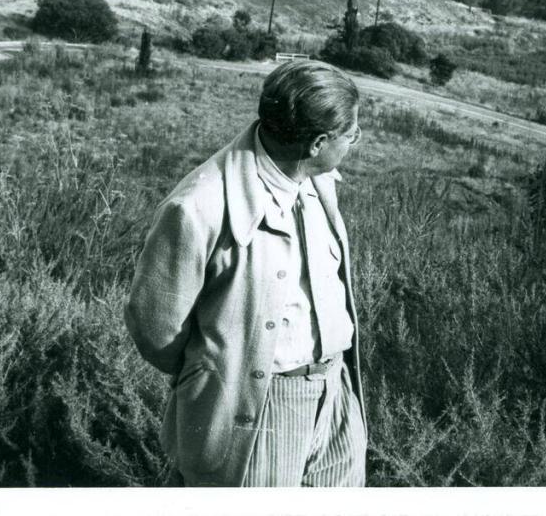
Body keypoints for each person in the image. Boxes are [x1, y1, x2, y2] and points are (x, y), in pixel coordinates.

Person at [125, 59, 367, 487]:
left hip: (336, 393)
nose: (356, 142)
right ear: (316, 143)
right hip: (261, 407)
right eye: (351, 135)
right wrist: (221, 374)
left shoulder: (317, 180)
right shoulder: (198, 207)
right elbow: (156, 328)